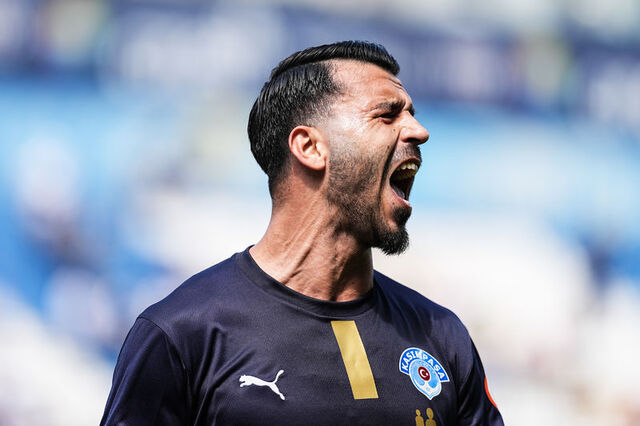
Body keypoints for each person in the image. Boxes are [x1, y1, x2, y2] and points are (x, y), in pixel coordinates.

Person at [100, 40, 504, 425]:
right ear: (309, 147)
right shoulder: (182, 334)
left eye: (412, 114)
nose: (418, 131)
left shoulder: (441, 336)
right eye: (387, 115)